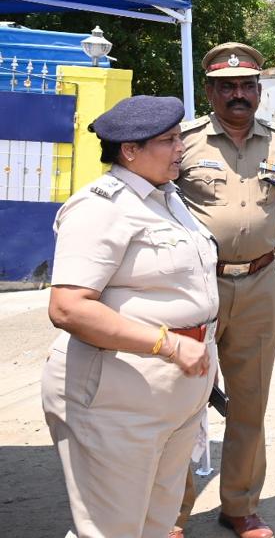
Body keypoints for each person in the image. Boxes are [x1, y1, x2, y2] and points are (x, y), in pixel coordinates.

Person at [42, 95, 218, 538]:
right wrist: (169, 343)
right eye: (169, 140)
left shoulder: (168, 198)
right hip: (116, 394)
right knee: (112, 528)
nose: (181, 147)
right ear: (130, 150)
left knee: (157, 523)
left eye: (180, 137)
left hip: (174, 391)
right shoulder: (101, 207)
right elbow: (68, 307)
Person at [175, 42, 275, 538]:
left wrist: (252, 246)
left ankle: (240, 506)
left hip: (259, 285)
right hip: (193, 286)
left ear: (259, 91)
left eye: (246, 85)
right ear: (209, 91)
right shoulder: (182, 141)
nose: (237, 95)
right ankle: (173, 513)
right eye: (226, 86)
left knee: (250, 401)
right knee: (181, 402)